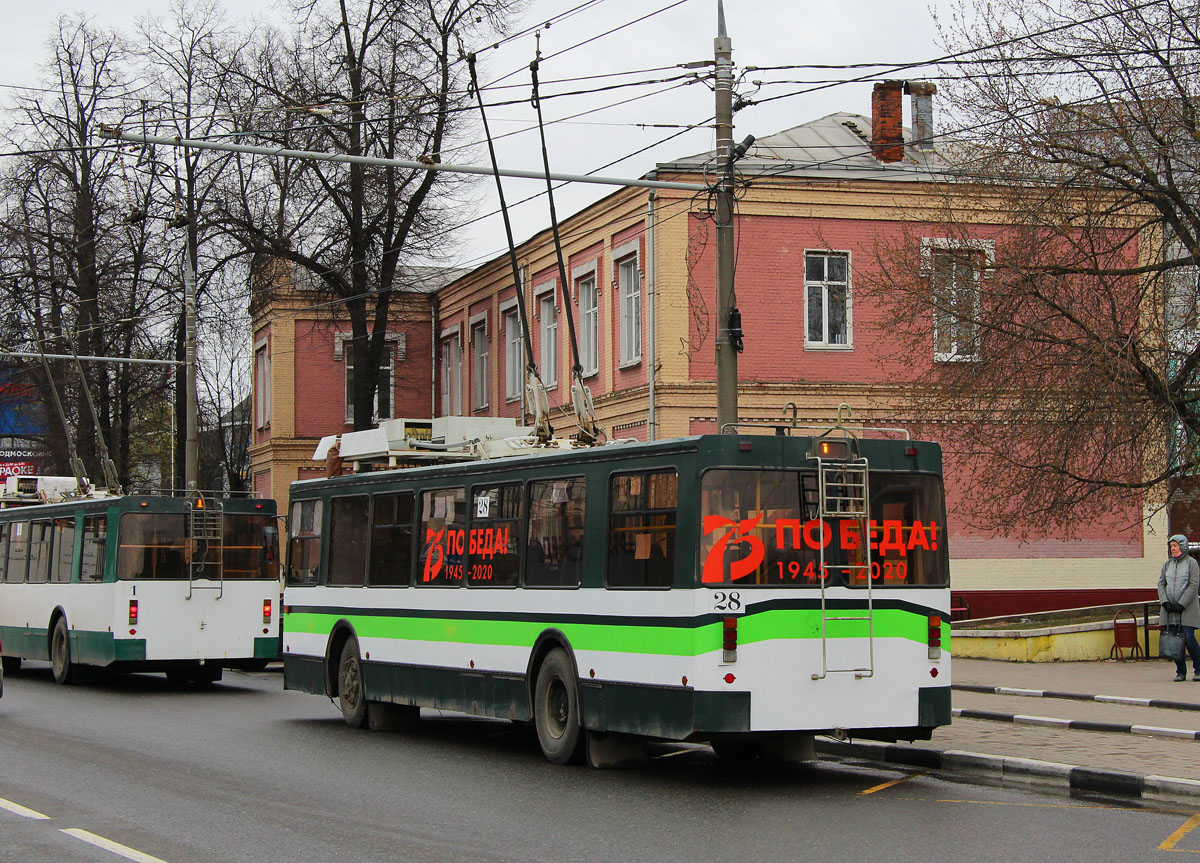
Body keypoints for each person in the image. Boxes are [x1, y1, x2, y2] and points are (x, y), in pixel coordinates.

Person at [1158, 534, 1200, 681]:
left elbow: (1193, 584)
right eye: (1171, 546)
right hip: (1171, 611)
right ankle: (1180, 671)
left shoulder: (1191, 563)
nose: (1173, 549)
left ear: (1182, 546)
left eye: (1175, 546)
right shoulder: (1167, 565)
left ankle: (1198, 669)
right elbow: (1161, 584)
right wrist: (1165, 602)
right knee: (1175, 641)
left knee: (1188, 638)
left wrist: (1181, 604)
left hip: (1186, 610)